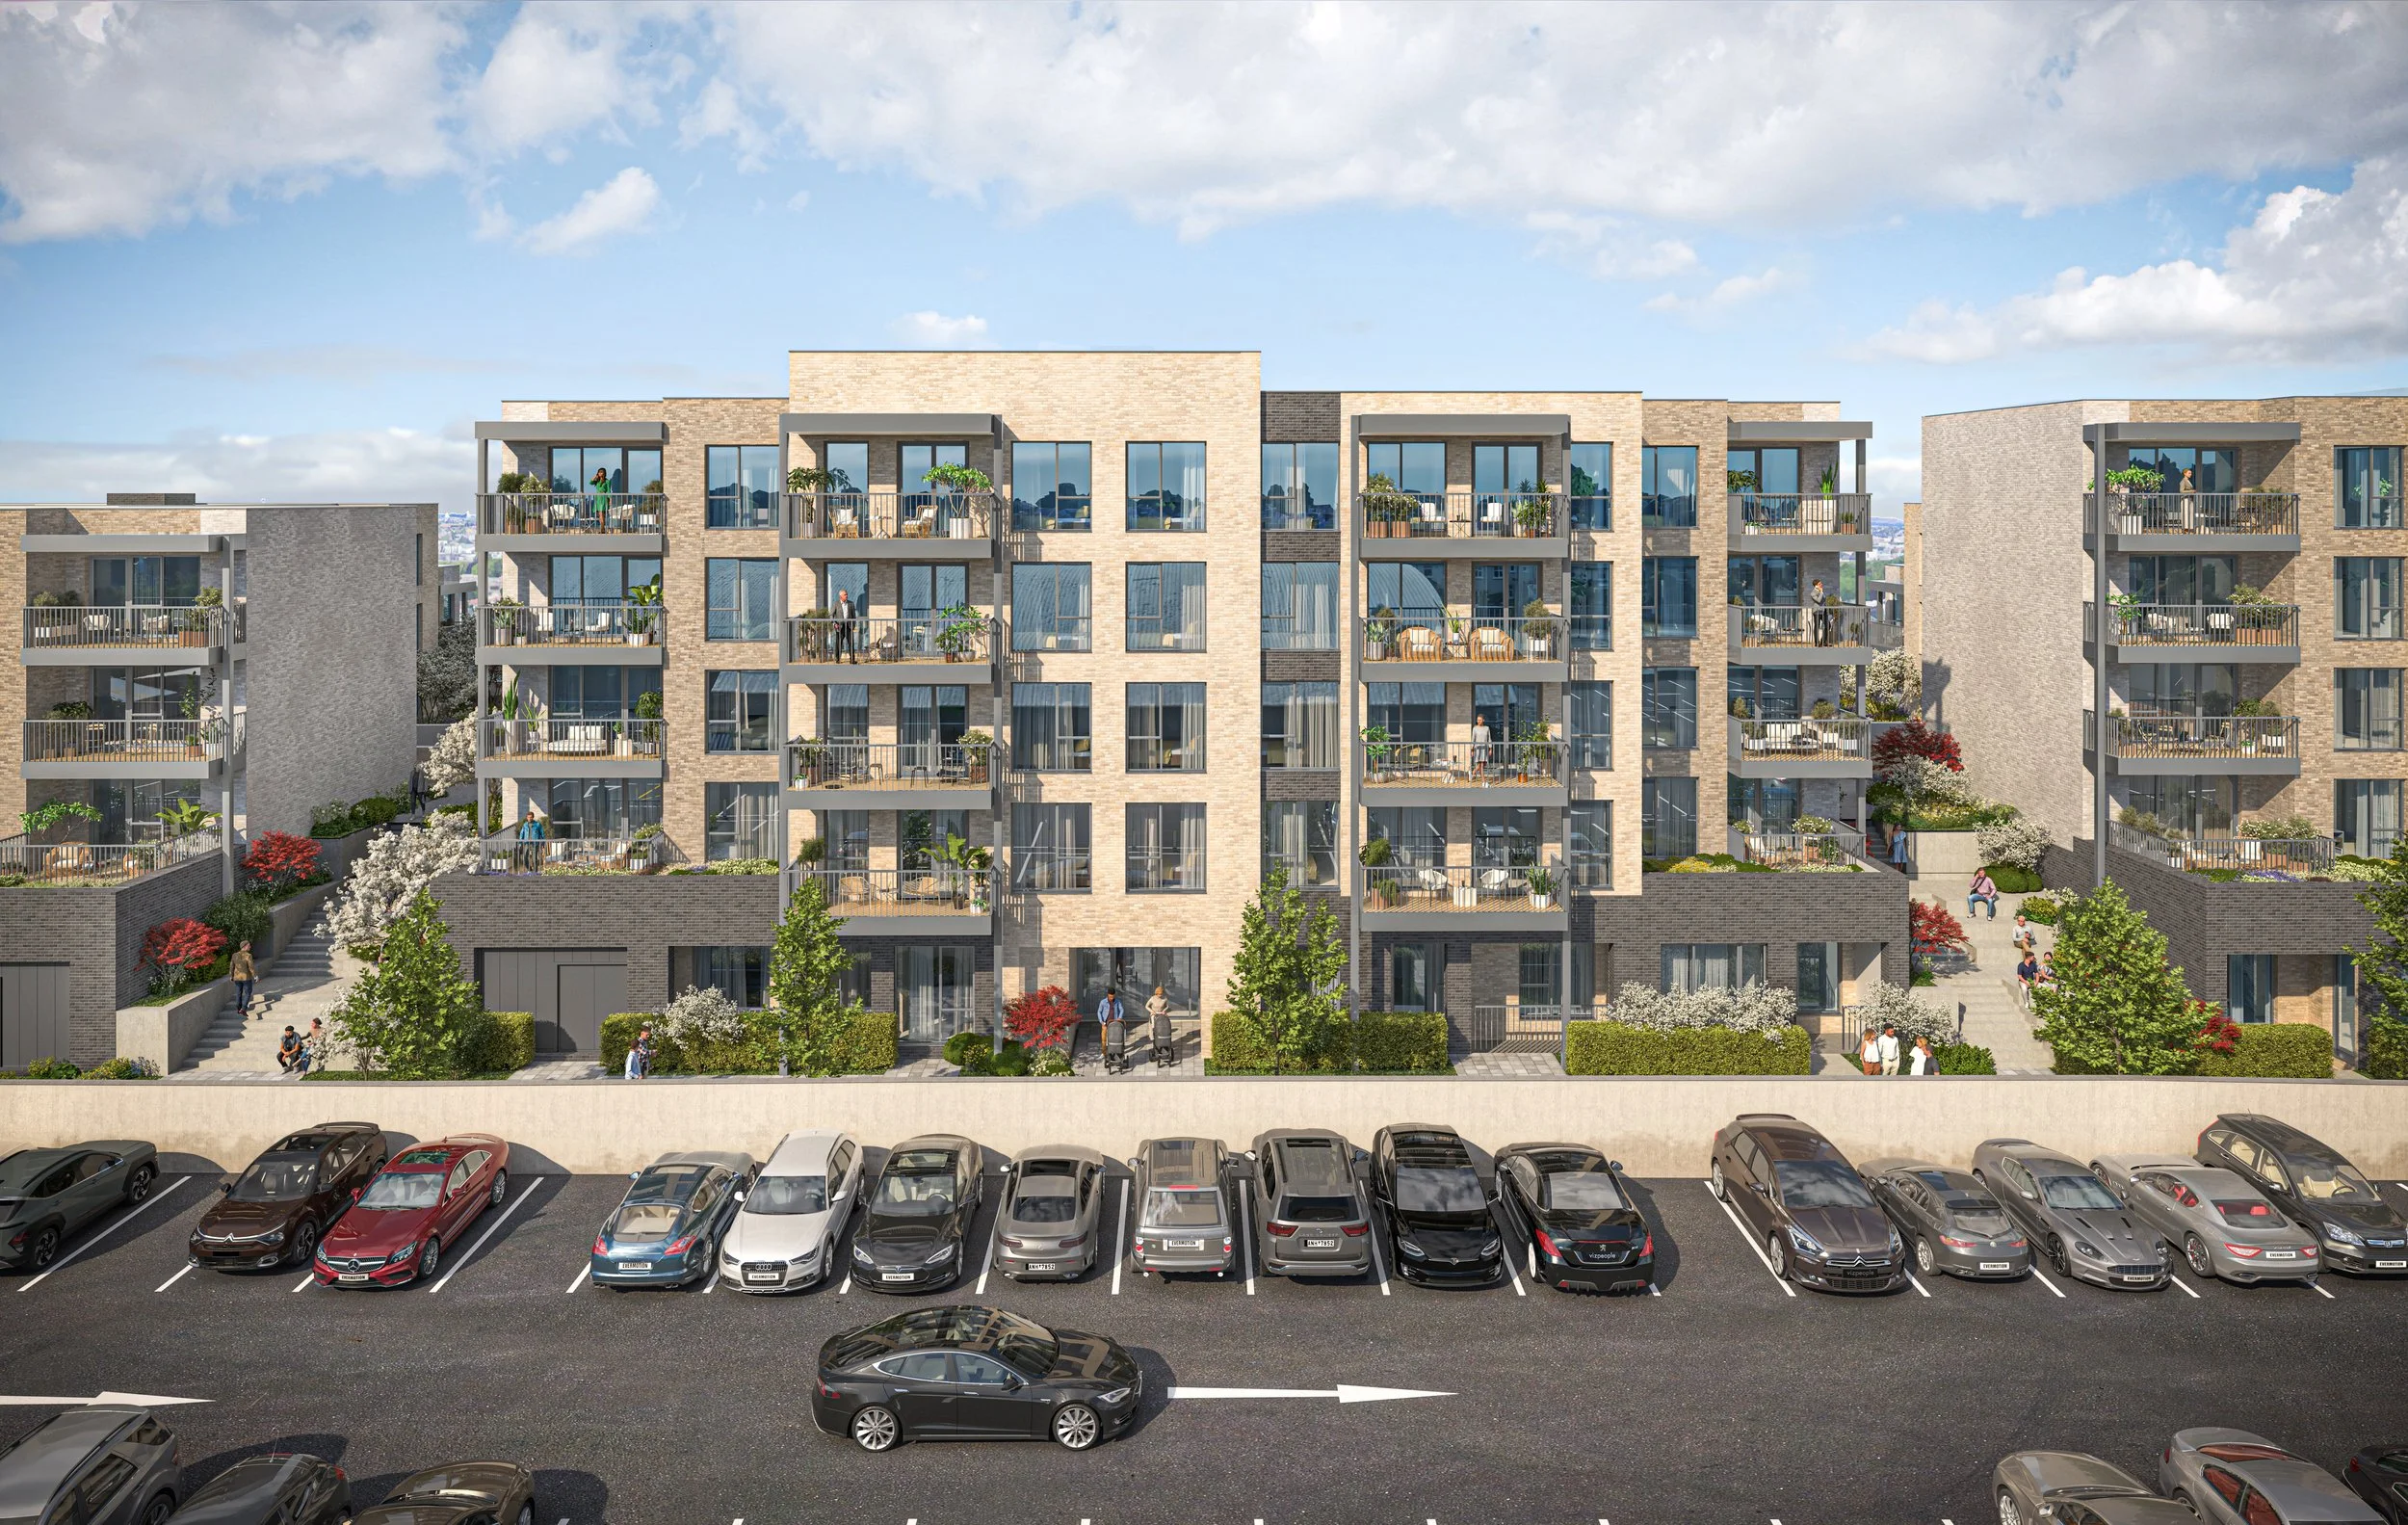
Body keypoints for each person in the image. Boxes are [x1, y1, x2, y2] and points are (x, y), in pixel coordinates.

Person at [1096, 987, 1127, 1072]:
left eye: (1113, 996)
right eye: (1110, 997)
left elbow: (1122, 1009)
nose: (1111, 998)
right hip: (1106, 1023)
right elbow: (1099, 1012)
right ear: (1108, 995)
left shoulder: (1117, 1001)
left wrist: (1120, 1018)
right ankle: (1103, 1053)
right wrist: (1102, 1022)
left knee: (1115, 1039)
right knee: (1104, 1039)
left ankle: (1117, 1050)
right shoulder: (1103, 1002)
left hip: (1115, 1024)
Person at [1147, 985, 1173, 1067]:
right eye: (1158, 994)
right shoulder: (1152, 998)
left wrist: (1164, 1011)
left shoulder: (1164, 998)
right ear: (1156, 993)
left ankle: (1164, 1043)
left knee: (1163, 1030)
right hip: (1154, 1015)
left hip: (1162, 1014)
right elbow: (1146, 1006)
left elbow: (1167, 1006)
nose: (1160, 995)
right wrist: (1152, 1011)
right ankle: (1156, 1046)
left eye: (1161, 994)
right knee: (1155, 1031)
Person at [229, 940, 257, 1016]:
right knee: (248, 993)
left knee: (239, 993)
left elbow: (232, 966)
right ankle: (243, 1009)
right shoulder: (248, 955)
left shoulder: (234, 955)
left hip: (237, 978)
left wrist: (231, 976)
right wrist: (255, 976)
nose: (250, 947)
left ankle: (238, 1008)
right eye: (249, 945)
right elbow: (251, 967)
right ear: (244, 946)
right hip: (246, 978)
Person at [833, 586, 858, 664]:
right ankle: (837, 659)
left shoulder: (851, 604)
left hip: (849, 626)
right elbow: (831, 615)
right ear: (840, 596)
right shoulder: (836, 604)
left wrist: (853, 625)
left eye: (847, 594)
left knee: (851, 643)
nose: (846, 596)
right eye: (845, 595)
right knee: (839, 643)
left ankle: (852, 659)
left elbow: (854, 616)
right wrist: (834, 623)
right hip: (839, 627)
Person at [1471, 712, 1491, 777]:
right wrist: (1472, 750)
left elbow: (1489, 739)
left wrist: (1490, 748)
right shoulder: (1475, 728)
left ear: (1483, 720)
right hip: (1478, 749)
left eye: (1480, 720)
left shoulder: (1487, 728)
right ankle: (1484, 781)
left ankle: (1473, 772)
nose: (1478, 721)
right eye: (1477, 720)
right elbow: (1473, 740)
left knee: (1483, 764)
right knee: (1481, 764)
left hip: (1484, 748)